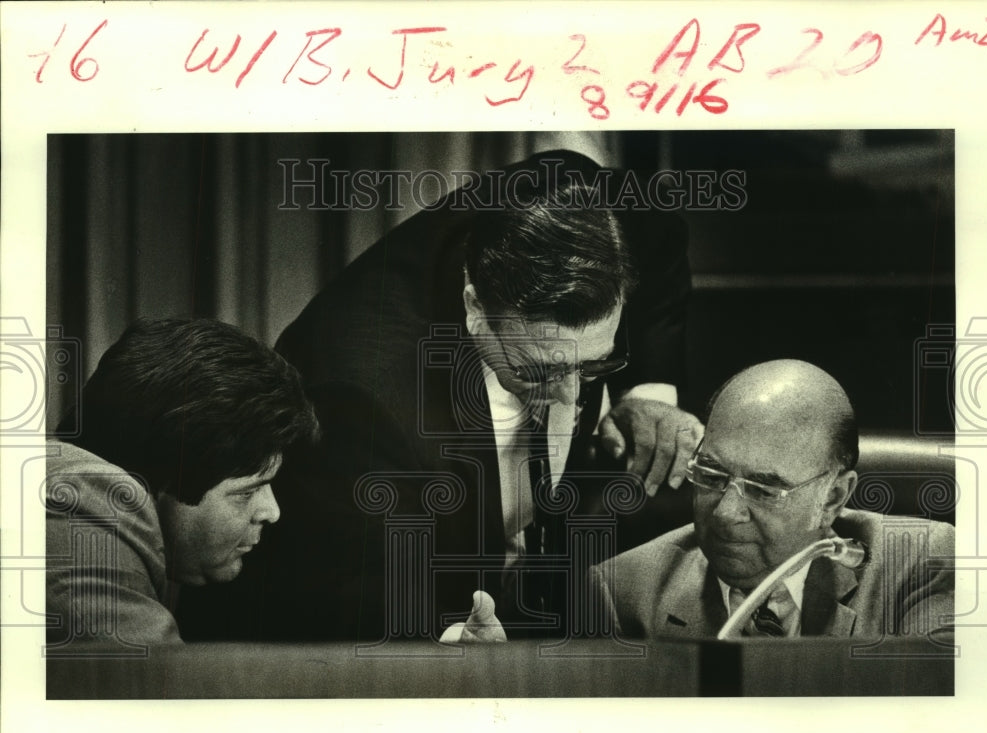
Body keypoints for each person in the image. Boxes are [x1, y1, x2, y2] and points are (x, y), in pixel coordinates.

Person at [177, 149, 701, 643]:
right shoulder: (363, 397)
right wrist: (458, 645)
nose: (571, 395)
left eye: (591, 366)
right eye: (539, 371)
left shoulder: (592, 208)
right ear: (475, 306)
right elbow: (370, 608)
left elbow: (658, 242)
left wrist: (647, 389)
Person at [590, 359, 955, 640]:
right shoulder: (620, 593)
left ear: (833, 498)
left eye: (763, 490)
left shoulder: (922, 564)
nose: (725, 513)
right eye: (712, 476)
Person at [45, 318, 318, 650]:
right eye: (246, 491)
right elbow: (152, 692)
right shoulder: (85, 500)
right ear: (166, 474)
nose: (271, 512)